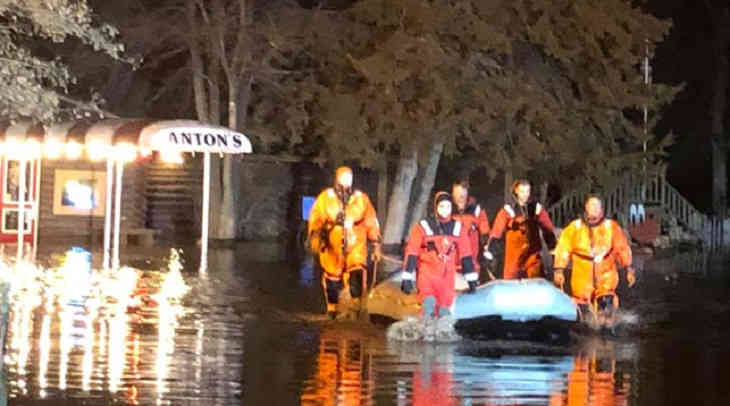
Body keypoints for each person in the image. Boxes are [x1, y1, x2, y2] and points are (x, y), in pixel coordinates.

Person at [308, 166, 382, 319]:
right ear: (337, 179)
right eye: (344, 177)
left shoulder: (361, 198)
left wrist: (376, 243)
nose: (347, 181)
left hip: (356, 241)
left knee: (357, 273)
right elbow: (316, 217)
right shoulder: (325, 198)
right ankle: (332, 309)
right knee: (332, 278)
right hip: (332, 242)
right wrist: (315, 234)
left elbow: (371, 221)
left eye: (349, 178)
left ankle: (356, 307)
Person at [401, 192, 477, 340]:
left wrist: (471, 279)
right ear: (435, 207)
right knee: (428, 304)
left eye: (448, 206)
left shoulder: (458, 228)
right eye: (441, 206)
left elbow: (466, 255)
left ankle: (441, 349)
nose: (445, 209)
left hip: (446, 279)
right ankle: (424, 339)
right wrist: (407, 277)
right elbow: (412, 252)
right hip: (427, 274)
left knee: (443, 312)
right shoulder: (423, 227)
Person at [553, 196, 636, 324]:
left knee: (606, 309)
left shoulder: (611, 227)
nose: (594, 209)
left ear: (602, 210)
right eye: (591, 206)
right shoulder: (574, 227)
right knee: (583, 315)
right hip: (582, 277)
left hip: (606, 276)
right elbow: (563, 248)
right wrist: (559, 270)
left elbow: (622, 248)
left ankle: (607, 327)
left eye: (597, 206)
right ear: (586, 208)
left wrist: (629, 269)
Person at [485, 179, 557, 279]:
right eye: (522, 191)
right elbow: (497, 231)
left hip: (532, 255)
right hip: (514, 256)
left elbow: (547, 227)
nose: (525, 195)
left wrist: (552, 245)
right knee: (511, 283)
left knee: (534, 281)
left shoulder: (536, 208)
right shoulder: (508, 210)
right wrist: (491, 251)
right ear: (516, 191)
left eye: (527, 191)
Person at [451, 180, 492, 279]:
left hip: (472, 261)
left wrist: (487, 244)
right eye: (458, 193)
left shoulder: (475, 209)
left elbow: (484, 228)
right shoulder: (447, 208)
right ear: (453, 193)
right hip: (451, 262)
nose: (461, 196)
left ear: (467, 192)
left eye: (463, 193)